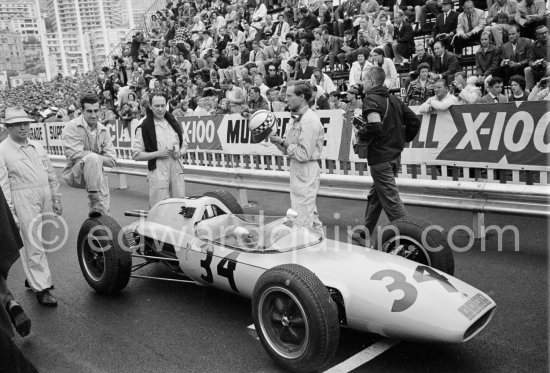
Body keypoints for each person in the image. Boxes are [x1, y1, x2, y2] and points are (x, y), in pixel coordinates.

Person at [350, 67, 421, 245]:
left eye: (364, 81)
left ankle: (413, 242)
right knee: (376, 197)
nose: (362, 84)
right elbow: (414, 121)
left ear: (372, 82)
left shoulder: (371, 99)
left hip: (380, 159)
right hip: (395, 157)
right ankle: (364, 235)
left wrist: (361, 135)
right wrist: (403, 139)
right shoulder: (394, 99)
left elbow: (375, 126)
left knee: (392, 204)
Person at [0, 106, 62, 306]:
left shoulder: (37, 146)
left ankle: (35, 277)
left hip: (42, 195)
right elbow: (3, 185)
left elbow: (50, 173)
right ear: (8, 127)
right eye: (17, 124)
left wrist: (56, 198)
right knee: (33, 243)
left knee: (44, 240)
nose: (23, 127)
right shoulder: (2, 151)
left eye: (25, 123)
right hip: (22, 198)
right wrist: (11, 214)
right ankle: (41, 288)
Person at [269, 83, 324, 234]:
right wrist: (277, 142)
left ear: (301, 97)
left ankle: (305, 253)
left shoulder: (309, 120)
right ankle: (320, 246)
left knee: (302, 219)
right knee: (308, 213)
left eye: (289, 96)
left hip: (305, 168)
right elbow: (290, 149)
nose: (285, 99)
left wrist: (282, 142)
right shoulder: (297, 118)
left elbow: (303, 154)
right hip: (298, 168)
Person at [61, 94, 117, 217]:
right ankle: (94, 201)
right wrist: (97, 156)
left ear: (101, 110)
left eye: (96, 111)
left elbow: (112, 160)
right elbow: (75, 155)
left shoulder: (103, 130)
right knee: (92, 158)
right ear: (82, 111)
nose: (93, 115)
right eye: (89, 111)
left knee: (104, 213)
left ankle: (101, 219)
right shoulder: (71, 127)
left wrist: (96, 158)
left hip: (97, 173)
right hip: (76, 172)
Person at [132, 92, 187, 208]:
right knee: (158, 208)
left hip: (177, 168)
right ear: (150, 106)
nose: (160, 109)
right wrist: (158, 153)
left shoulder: (173, 122)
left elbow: (185, 146)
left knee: (180, 206)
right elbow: (136, 155)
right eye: (157, 106)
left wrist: (180, 152)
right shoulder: (144, 126)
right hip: (158, 170)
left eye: (163, 105)